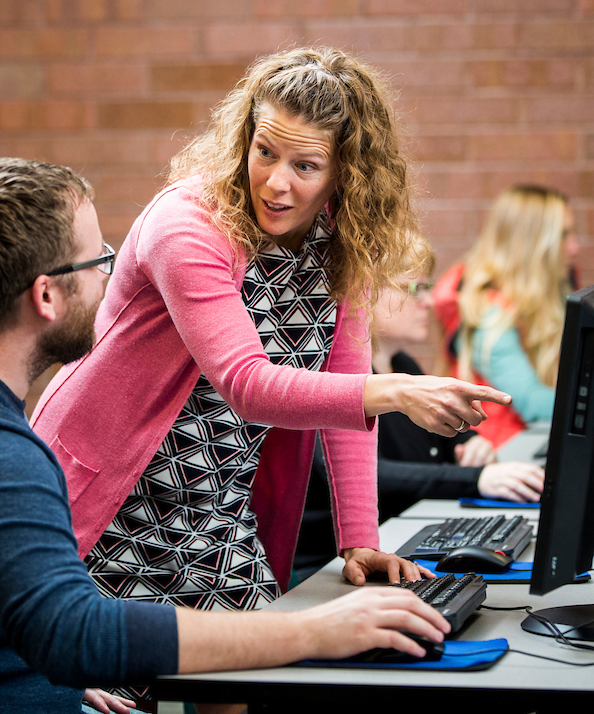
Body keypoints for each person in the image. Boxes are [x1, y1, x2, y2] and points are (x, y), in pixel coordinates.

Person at [0, 158, 450, 714]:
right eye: (99, 259)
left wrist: (50, 685)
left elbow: (2, 614)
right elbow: (76, 635)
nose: (112, 275)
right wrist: (310, 632)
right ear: (47, 296)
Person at [30, 47, 510, 663]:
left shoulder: (345, 236)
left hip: (216, 505)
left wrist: (359, 539)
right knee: (116, 686)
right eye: (265, 152)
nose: (277, 181)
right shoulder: (191, 222)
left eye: (306, 165)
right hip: (119, 499)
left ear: (347, 172)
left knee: (253, 684)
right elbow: (246, 382)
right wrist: (392, 392)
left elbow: (343, 379)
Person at [295, 242, 544, 577]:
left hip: (395, 537)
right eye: (414, 288)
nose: (428, 301)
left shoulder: (402, 364)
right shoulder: (327, 377)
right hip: (330, 566)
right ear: (365, 290)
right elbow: (374, 474)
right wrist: (478, 479)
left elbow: (446, 438)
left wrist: (469, 443)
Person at [432, 185, 579, 448]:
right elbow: (532, 404)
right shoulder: (489, 315)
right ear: (531, 244)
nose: (574, 248)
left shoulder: (531, 301)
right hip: (497, 458)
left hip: (527, 444)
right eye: (563, 235)